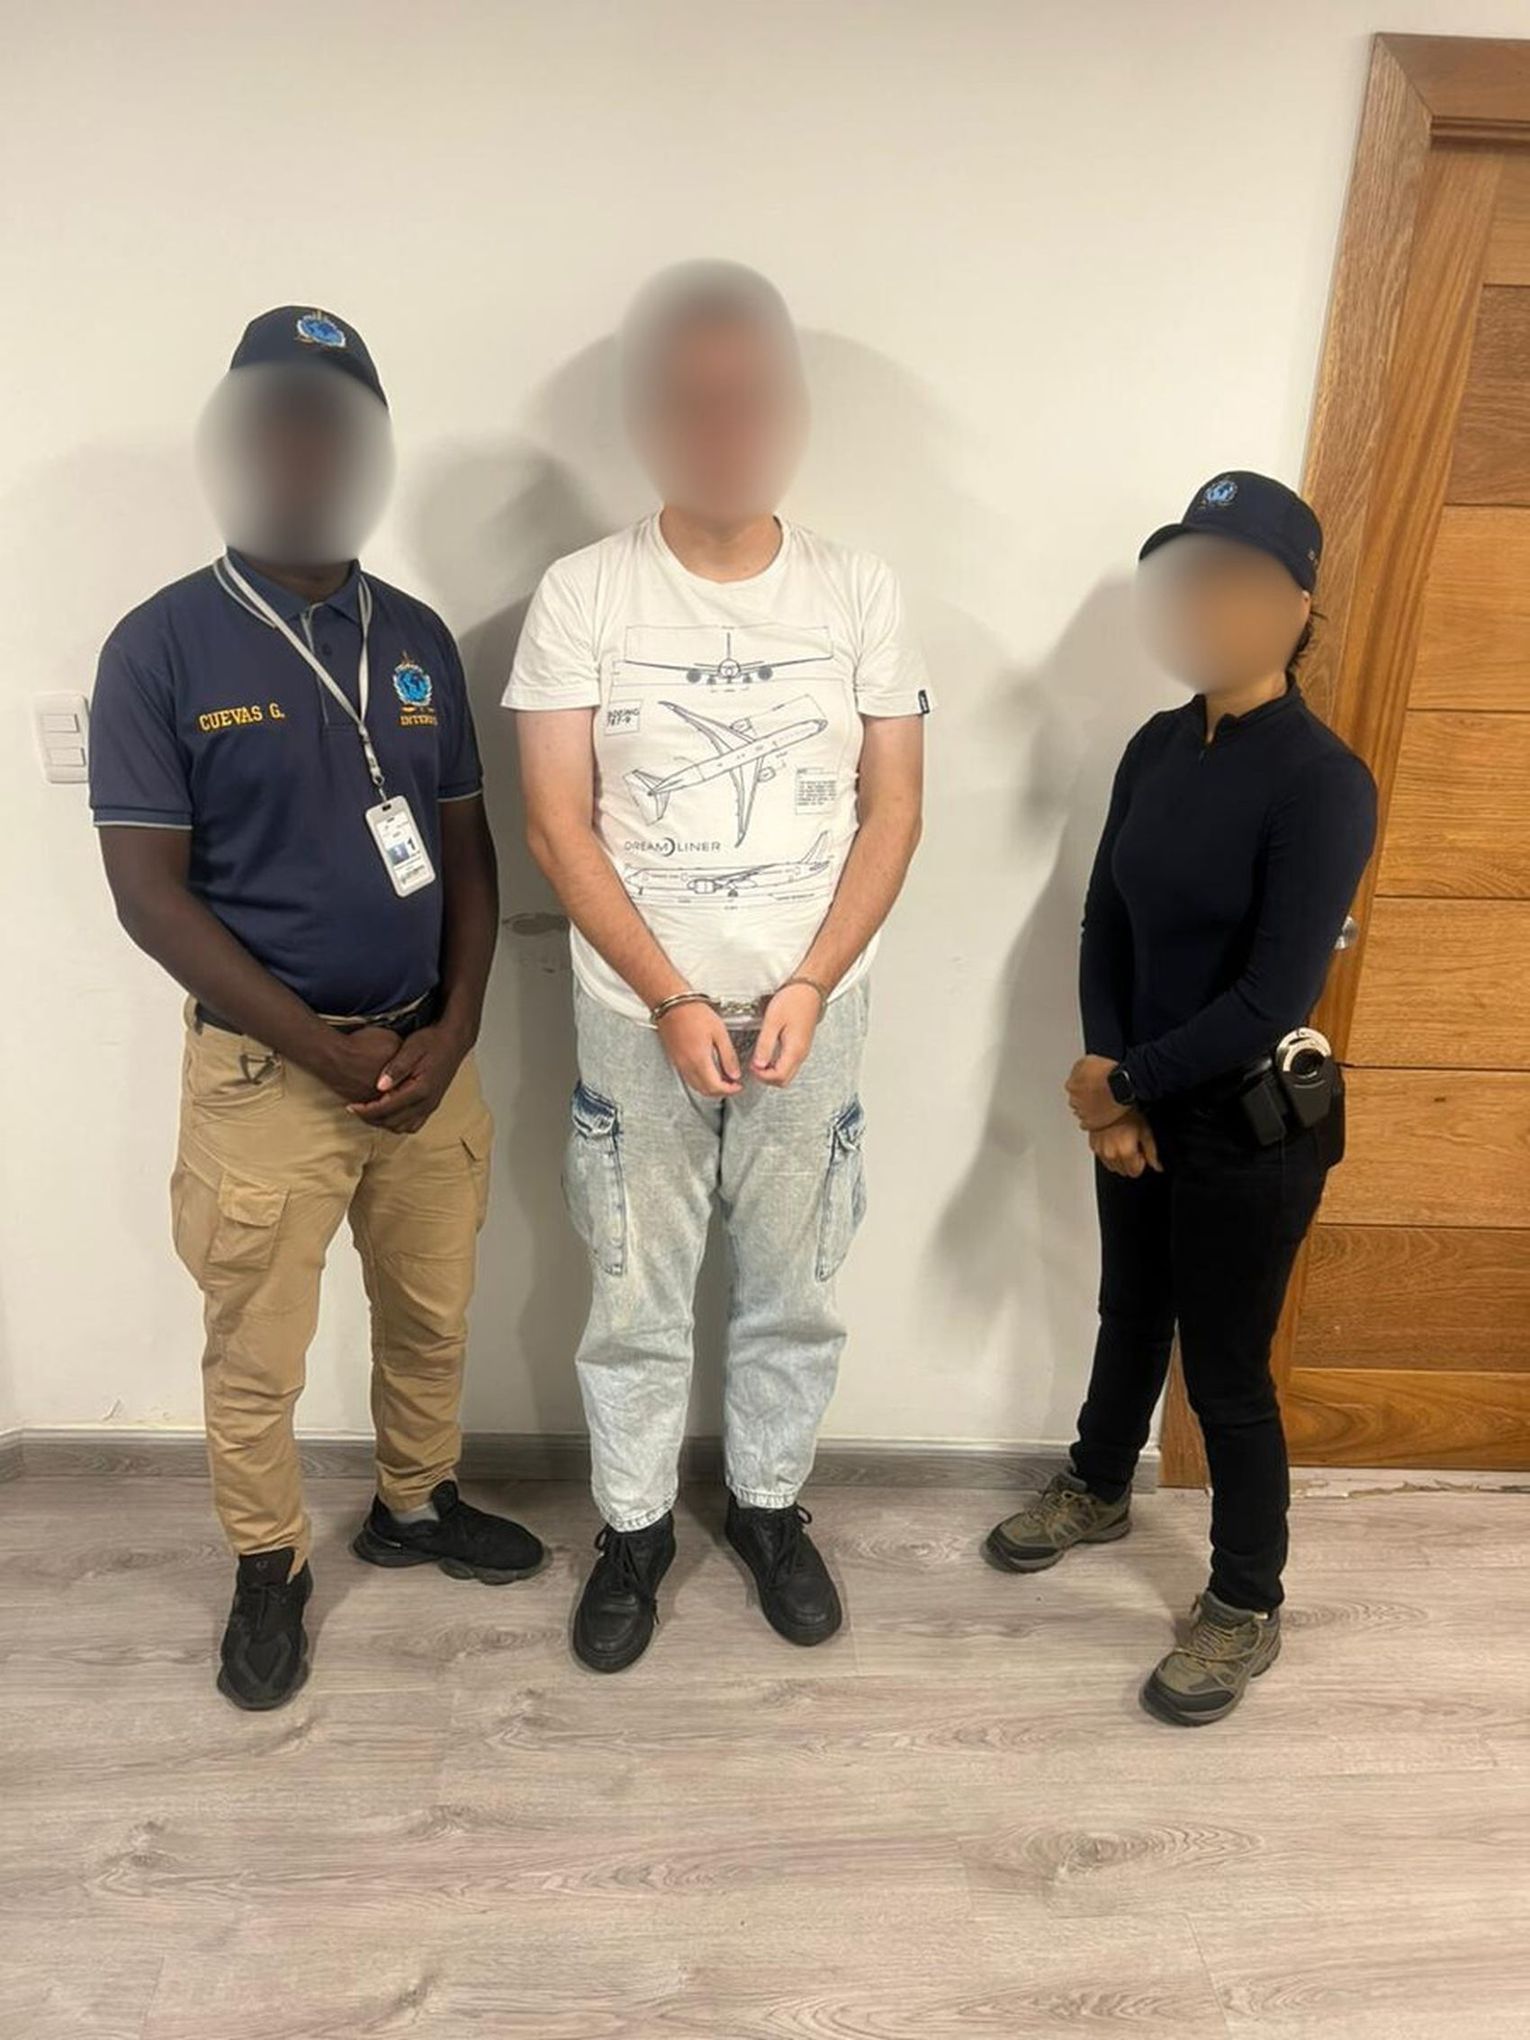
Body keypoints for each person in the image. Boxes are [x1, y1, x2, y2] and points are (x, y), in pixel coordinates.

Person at [89, 306, 544, 1713]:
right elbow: (149, 899)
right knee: (258, 1352)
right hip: (266, 1082)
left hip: (426, 1058)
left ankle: (414, 1502)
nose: (308, 447)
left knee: (432, 1313)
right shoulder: (159, 647)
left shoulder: (413, 637)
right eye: (277, 419)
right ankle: (269, 1562)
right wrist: (321, 1050)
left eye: (337, 425)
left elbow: (466, 850)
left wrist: (457, 1024)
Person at [507, 262, 931, 1672]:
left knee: (794, 1287)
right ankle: (633, 1530)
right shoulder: (584, 593)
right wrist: (674, 995)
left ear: (792, 411)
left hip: (818, 1011)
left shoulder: (859, 590)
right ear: (648, 418)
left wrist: (807, 982)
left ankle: (764, 1506)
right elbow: (556, 823)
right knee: (634, 1294)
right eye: (692, 400)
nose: (724, 424)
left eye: (751, 397)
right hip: (638, 1016)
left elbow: (894, 811)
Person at [985, 472, 1377, 1727]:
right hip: (1141, 1102)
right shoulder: (1157, 745)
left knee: (1225, 1372)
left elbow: (1272, 993)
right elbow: (1105, 919)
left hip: (1251, 1128)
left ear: (1297, 606)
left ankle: (1246, 1601)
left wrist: (1128, 1082)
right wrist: (1113, 1093)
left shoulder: (1322, 782)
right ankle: (1100, 1484)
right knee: (1128, 1311)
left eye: (1239, 582)